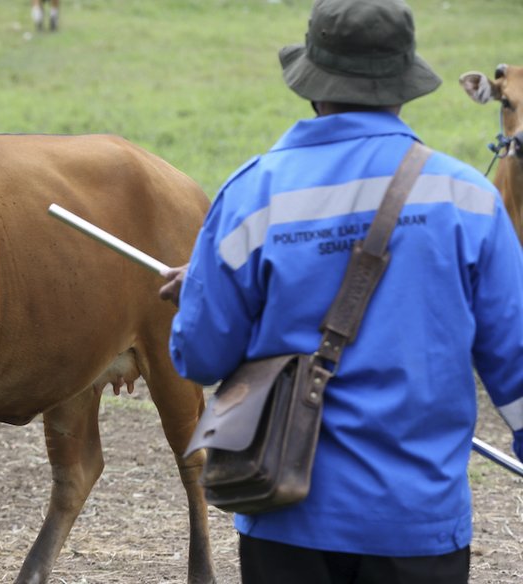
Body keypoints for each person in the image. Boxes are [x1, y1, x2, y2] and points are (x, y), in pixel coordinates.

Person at [160, 0, 523, 582]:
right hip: (418, 526)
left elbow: (201, 355)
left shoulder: (253, 194)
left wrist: (201, 295)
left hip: (284, 518)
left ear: (312, 86)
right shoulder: (468, 201)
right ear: (404, 87)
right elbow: (518, 370)